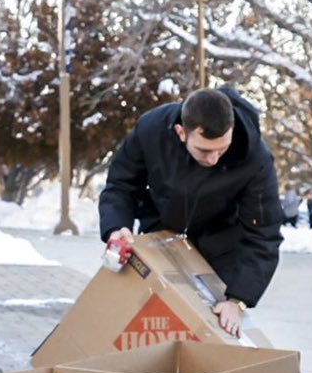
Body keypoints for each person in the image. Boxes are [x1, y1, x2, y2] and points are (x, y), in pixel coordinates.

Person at [98, 86, 282, 337]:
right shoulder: (151, 130)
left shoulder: (255, 158)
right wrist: (116, 227)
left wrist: (237, 299)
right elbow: (121, 185)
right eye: (205, 151)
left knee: (203, 336)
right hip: (159, 238)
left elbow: (264, 233)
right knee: (146, 326)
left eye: (222, 149)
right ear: (181, 132)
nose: (214, 159)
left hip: (219, 253)